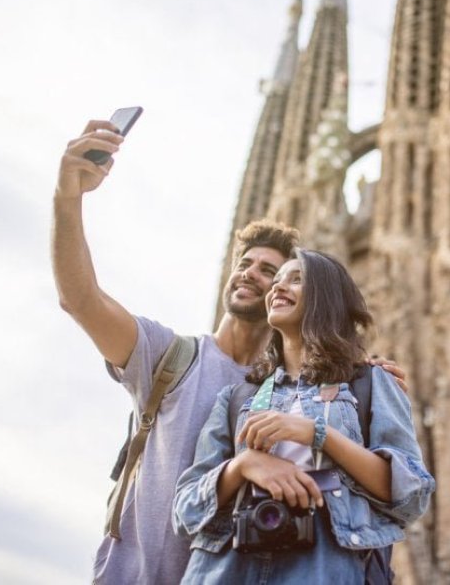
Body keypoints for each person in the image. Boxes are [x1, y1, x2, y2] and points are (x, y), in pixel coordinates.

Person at [52, 119, 405, 584]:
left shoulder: (298, 392)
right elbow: (80, 300)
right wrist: (67, 196)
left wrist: (363, 378)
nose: (252, 275)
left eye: (272, 272)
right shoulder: (171, 358)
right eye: (246, 264)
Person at [173, 249, 435, 584]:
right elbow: (184, 511)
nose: (278, 288)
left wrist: (318, 433)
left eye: (297, 280)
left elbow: (410, 494)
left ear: (326, 298)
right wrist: (244, 465)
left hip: (324, 566)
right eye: (277, 281)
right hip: (227, 568)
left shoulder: (370, 383)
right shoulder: (238, 397)